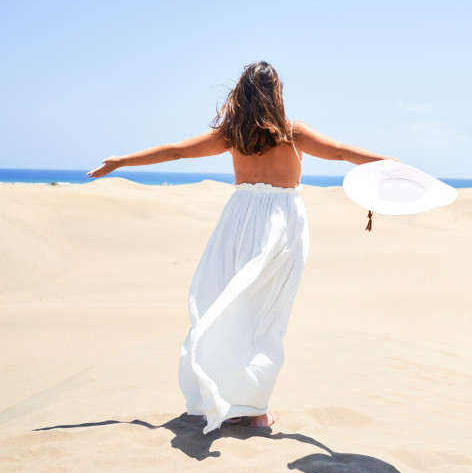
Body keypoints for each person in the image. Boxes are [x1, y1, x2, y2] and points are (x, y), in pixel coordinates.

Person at [87, 61, 393, 433]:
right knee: (266, 316)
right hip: (281, 223)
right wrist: (390, 164)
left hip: (238, 221)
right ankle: (254, 408)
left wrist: (122, 161)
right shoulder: (294, 133)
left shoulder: (231, 135)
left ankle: (226, 395)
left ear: (242, 94)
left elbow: (176, 152)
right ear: (276, 94)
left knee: (228, 305)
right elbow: (343, 153)